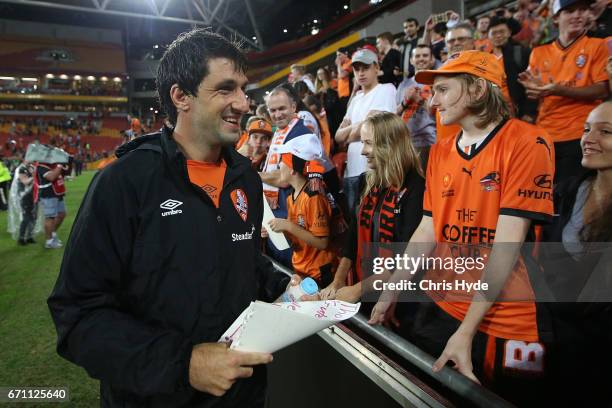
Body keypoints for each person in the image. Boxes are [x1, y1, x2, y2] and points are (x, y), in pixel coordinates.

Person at [48, 29, 290, 407]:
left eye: (243, 89)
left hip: (242, 396)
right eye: (225, 89)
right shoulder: (124, 182)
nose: (243, 103)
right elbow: (79, 316)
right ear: (181, 97)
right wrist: (184, 364)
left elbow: (234, 255)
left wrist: (286, 287)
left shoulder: (245, 177)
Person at [370, 51, 555, 405]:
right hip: (443, 302)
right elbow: (427, 230)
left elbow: (507, 244)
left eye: (442, 89)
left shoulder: (528, 141)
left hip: (503, 319)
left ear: (477, 90)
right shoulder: (439, 151)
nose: (432, 99)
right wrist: (391, 291)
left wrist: (466, 331)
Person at [321, 112, 424, 304]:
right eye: (362, 142)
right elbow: (353, 236)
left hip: (400, 299)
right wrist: (338, 280)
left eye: (369, 143)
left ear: (390, 144)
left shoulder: (417, 188)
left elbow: (407, 255)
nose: (363, 151)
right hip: (364, 289)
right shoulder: (367, 181)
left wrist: (358, 290)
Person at [519, 0, 610, 183]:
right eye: (569, 11)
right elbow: (532, 93)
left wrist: (558, 89)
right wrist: (533, 91)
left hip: (580, 134)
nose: (577, 15)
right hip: (545, 134)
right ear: (555, 18)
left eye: (582, 10)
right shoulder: (538, 52)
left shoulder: (598, 46)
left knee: (573, 198)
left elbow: (602, 90)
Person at [268, 134, 337, 287]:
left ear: (292, 170)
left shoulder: (314, 197)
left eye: (282, 161)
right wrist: (274, 231)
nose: (279, 165)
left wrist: (288, 225)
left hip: (319, 272)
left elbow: (322, 242)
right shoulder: (291, 196)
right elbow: (299, 234)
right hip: (302, 268)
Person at [335, 47, 396, 219]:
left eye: (365, 67)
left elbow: (374, 128)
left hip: (373, 169)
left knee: (375, 223)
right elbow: (338, 137)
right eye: (357, 69)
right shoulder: (355, 99)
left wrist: (351, 131)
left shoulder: (387, 89)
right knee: (355, 227)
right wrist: (359, 126)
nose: (360, 73)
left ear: (376, 67)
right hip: (352, 171)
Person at [488, 16, 538, 120]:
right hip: (493, 115)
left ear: (509, 32)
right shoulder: (484, 59)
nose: (498, 35)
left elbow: (533, 84)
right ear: (488, 36)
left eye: (502, 32)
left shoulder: (522, 53)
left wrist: (529, 112)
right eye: (494, 33)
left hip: (518, 113)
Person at [396, 44, 437, 159]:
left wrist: (420, 101)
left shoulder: (437, 82)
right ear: (411, 60)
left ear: (432, 59)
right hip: (406, 144)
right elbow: (394, 114)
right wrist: (405, 102)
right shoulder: (403, 85)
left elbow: (436, 114)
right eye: (417, 56)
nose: (421, 58)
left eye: (425, 55)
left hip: (430, 142)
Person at [36, 161, 67, 249]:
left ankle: (52, 234)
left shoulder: (52, 164)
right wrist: (60, 165)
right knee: (50, 217)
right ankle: (49, 241)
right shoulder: (41, 166)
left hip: (58, 192)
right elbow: (52, 177)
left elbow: (64, 173)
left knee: (62, 214)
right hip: (48, 194)